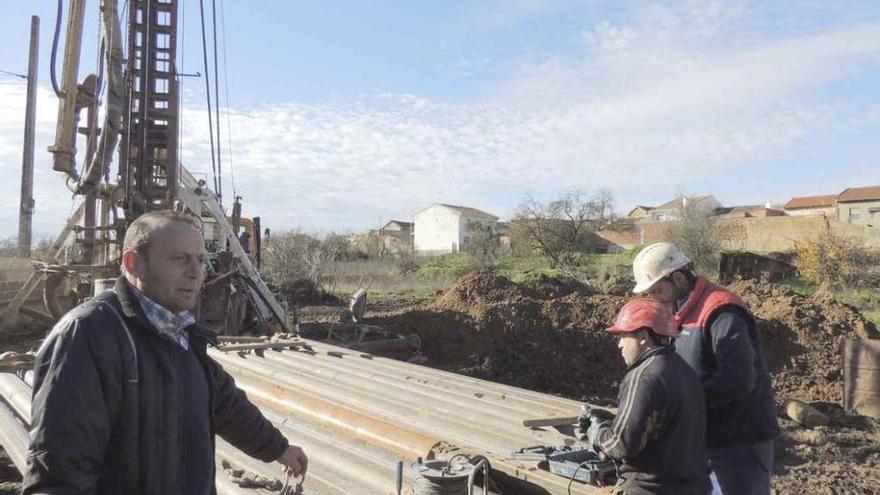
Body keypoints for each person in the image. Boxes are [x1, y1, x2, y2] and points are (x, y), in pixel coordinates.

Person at [23, 210, 308, 494]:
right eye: (179, 259)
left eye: (199, 260)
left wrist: (277, 448)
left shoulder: (182, 333)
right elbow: (61, 465)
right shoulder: (89, 335)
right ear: (134, 263)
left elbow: (226, 405)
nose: (196, 272)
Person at [632, 242, 778, 495]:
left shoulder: (722, 310)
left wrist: (682, 403)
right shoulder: (679, 310)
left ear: (677, 277)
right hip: (705, 435)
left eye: (656, 289)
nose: (654, 297)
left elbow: (738, 379)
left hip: (739, 440)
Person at [585, 298, 711, 495]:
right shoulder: (685, 372)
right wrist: (615, 421)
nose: (619, 345)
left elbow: (622, 444)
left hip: (650, 489)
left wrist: (596, 433)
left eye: (623, 336)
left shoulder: (643, 376)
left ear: (643, 336)